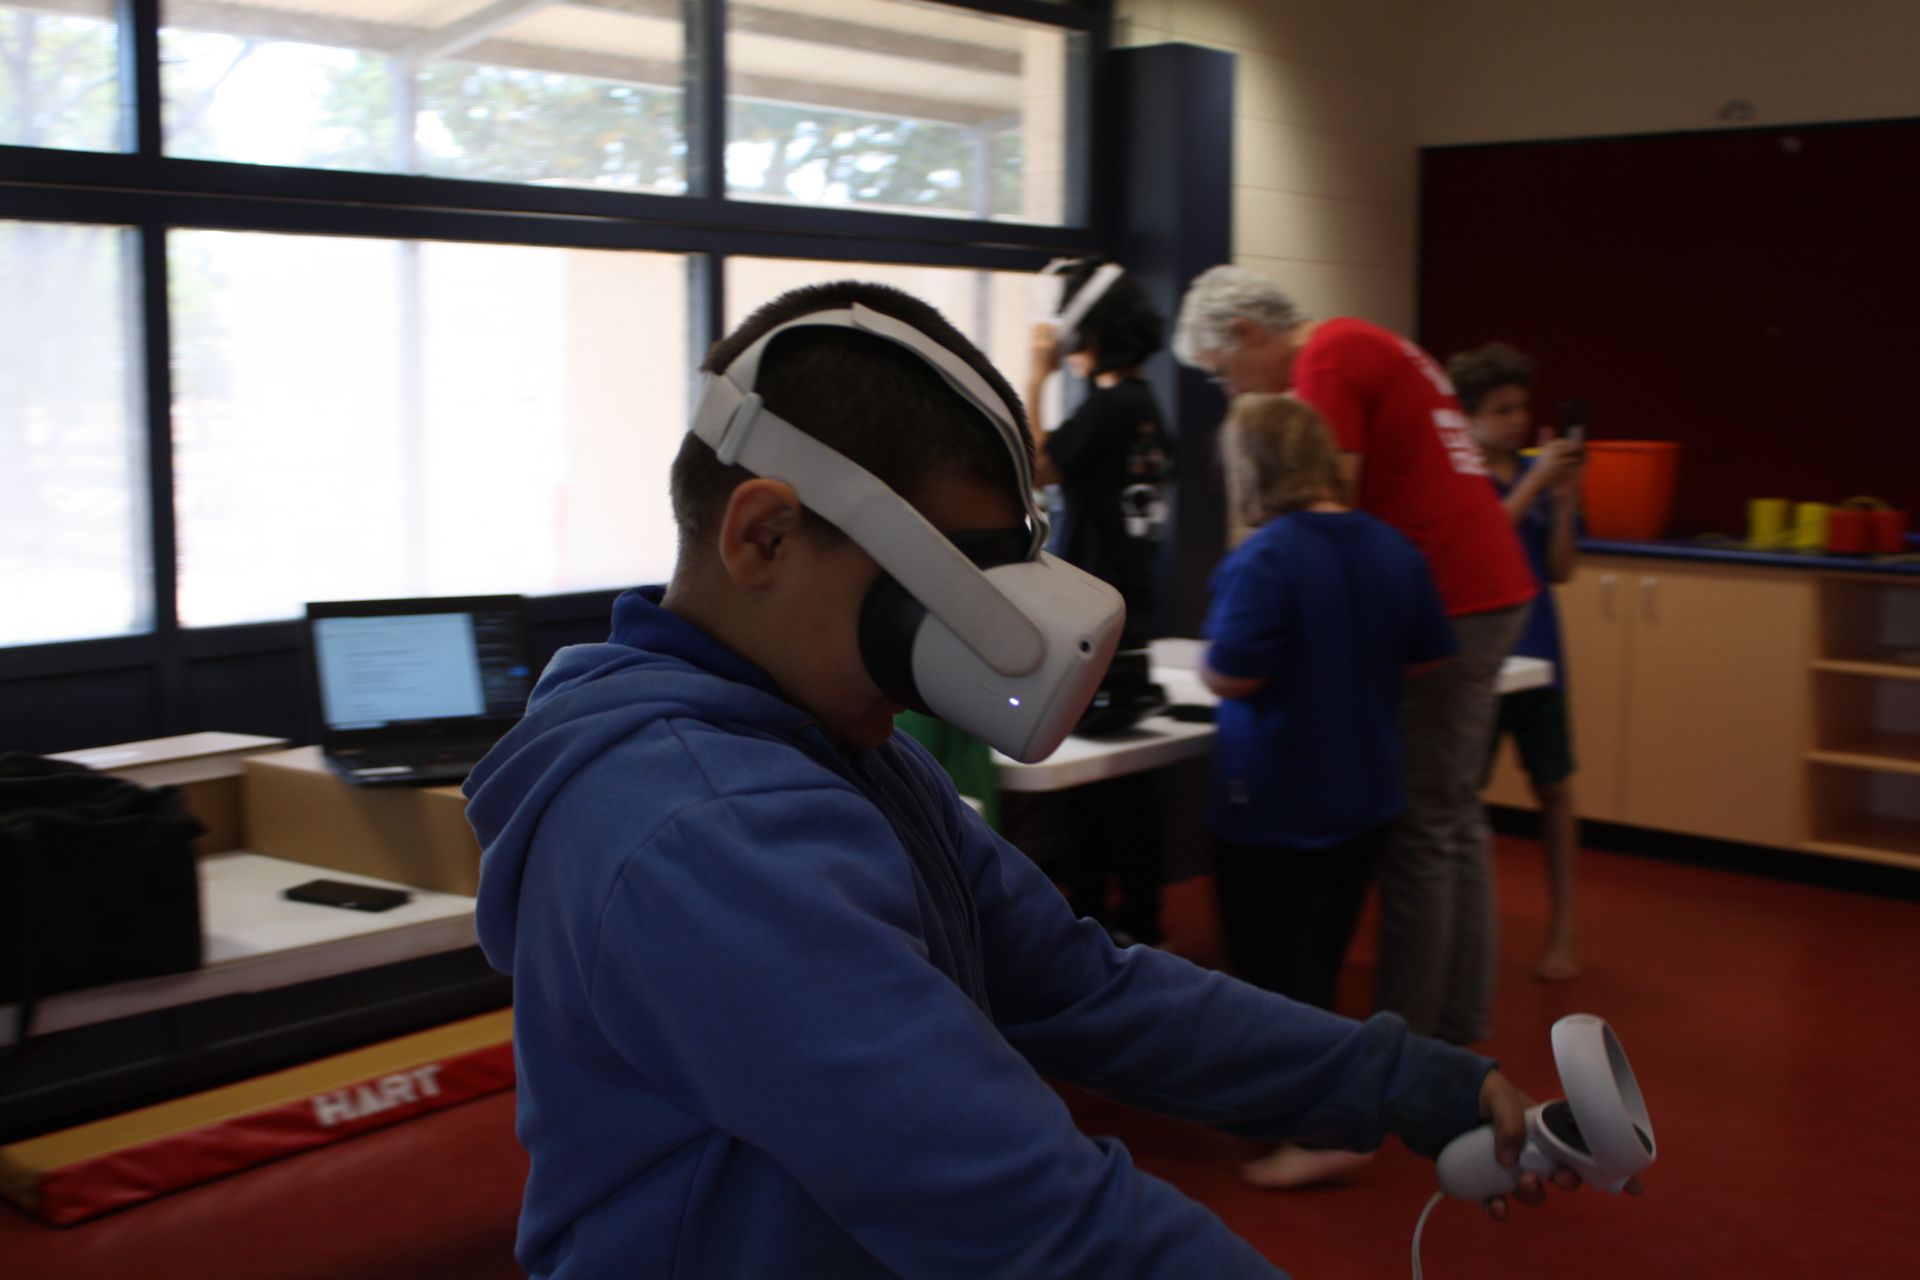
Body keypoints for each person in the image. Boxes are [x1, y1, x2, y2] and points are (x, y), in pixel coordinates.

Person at [464, 280, 1573, 1279]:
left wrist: (1400, 1079)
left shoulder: (847, 752)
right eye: (933, 597)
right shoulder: (702, 831)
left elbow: (1083, 984)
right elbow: (1030, 1215)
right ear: (765, 533)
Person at [1172, 266, 1536, 1046]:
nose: (1232, 393)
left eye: (1221, 372)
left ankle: (1404, 1046)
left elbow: (1318, 509)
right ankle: (1456, 1018)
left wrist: (1262, 591)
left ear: (1246, 335)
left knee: (1420, 829)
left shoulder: (1325, 361)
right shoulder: (1363, 338)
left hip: (1459, 588)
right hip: (1487, 581)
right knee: (1454, 816)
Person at [1201, 394, 1457, 1188]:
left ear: (1253, 469)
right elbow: (1424, 658)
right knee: (1320, 962)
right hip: (1364, 794)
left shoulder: (1265, 557)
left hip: (1276, 801)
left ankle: (1317, 1129)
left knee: (1276, 977)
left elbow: (1234, 670)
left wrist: (1211, 666)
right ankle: (1312, 1109)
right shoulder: (1390, 547)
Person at [1025, 258, 1175, 947]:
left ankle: (1092, 930)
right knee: (1132, 790)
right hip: (1135, 608)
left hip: (1095, 614)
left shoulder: (1107, 408)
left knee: (1094, 791)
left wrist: (1035, 377)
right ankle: (1144, 921)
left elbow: (1036, 463)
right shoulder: (1146, 407)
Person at [1447, 342, 1585, 982]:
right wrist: (1535, 482)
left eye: (1522, 407)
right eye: (1501, 409)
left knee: (1555, 789)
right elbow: (1484, 539)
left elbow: (1560, 567)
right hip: (1479, 660)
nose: (1517, 420)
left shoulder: (1538, 472)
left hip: (1541, 653)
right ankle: (1457, 930)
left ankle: (1563, 931)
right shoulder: (1462, 477)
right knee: (1460, 796)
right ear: (1468, 415)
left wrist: (1565, 498)